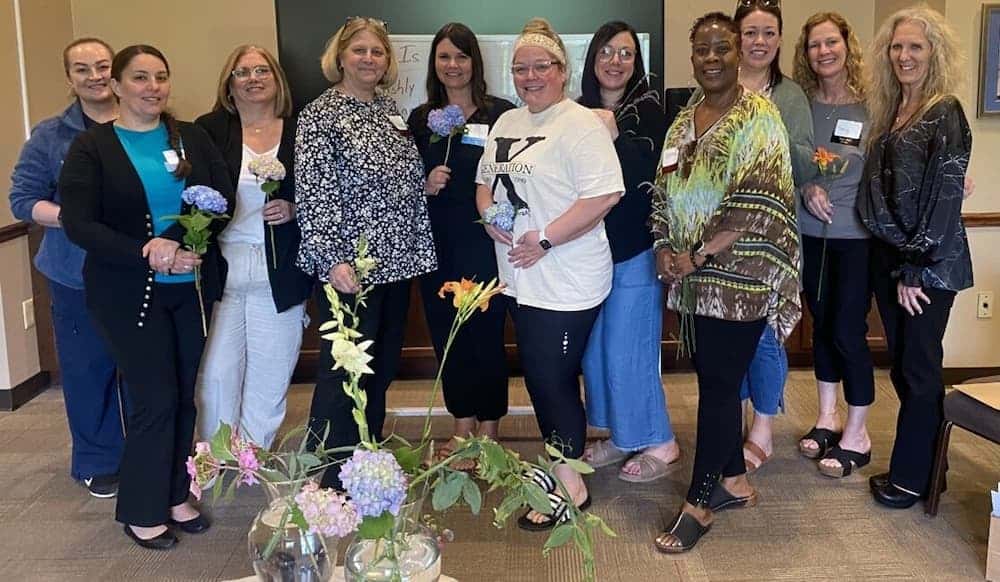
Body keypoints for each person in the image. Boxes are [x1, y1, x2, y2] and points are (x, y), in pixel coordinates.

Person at [60, 44, 234, 549]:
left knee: (183, 396)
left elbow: (220, 200)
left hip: (192, 289)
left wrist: (182, 243)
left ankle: (177, 494)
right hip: (127, 294)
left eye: (160, 76)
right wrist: (147, 249)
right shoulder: (93, 148)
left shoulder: (192, 139)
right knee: (153, 399)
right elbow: (79, 224)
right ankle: (140, 507)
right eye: (139, 78)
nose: (152, 87)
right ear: (116, 86)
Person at [652, 12, 799, 553]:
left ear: (739, 53)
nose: (711, 58)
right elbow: (662, 188)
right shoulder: (684, 118)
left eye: (722, 48)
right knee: (713, 375)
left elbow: (758, 202)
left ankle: (700, 503)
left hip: (743, 276)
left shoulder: (758, 116)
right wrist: (663, 245)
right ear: (692, 57)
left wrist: (695, 254)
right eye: (702, 50)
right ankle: (734, 480)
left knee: (716, 388)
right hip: (694, 280)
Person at [475, 17, 623, 531]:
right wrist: (490, 217)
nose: (530, 76)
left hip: (566, 279)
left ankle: (571, 484)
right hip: (520, 277)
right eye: (520, 68)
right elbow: (485, 184)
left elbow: (604, 196)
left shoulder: (581, 123)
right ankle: (562, 462)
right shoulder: (507, 123)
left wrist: (545, 238)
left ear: (562, 70)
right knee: (542, 377)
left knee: (551, 378)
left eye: (541, 66)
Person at [296, 17, 436, 488]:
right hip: (349, 269)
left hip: (395, 264)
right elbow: (315, 194)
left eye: (377, 52)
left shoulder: (389, 108)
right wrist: (332, 259)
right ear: (340, 57)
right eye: (359, 51)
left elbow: (396, 177)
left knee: (379, 369)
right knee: (343, 375)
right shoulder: (320, 114)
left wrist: (426, 182)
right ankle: (328, 476)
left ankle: (364, 460)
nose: (369, 59)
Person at [858, 7, 972, 510]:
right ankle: (930, 469)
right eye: (897, 47)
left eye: (916, 47)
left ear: (934, 54)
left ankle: (909, 480)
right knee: (906, 371)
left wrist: (915, 268)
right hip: (893, 259)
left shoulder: (943, 110)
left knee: (920, 370)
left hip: (927, 267)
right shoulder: (894, 110)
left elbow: (945, 199)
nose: (904, 56)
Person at [8, 38, 125, 499]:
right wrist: (78, 219)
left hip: (141, 270)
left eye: (102, 66)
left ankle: (149, 452)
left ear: (115, 70)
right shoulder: (50, 135)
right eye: (82, 69)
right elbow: (21, 201)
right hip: (75, 273)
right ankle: (99, 461)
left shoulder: (146, 124)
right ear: (69, 79)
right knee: (87, 369)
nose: (95, 76)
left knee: (146, 370)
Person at [407, 23, 516, 468]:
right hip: (438, 245)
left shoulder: (501, 114)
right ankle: (461, 427)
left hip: (486, 244)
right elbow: (398, 184)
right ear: (435, 64)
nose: (453, 66)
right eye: (444, 57)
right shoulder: (420, 119)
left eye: (462, 56)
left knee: (486, 338)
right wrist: (424, 183)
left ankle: (490, 429)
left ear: (475, 61)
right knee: (447, 338)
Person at [194, 45, 312, 449]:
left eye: (262, 70)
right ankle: (216, 459)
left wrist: (296, 207)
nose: (253, 78)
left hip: (279, 270)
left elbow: (323, 194)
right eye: (242, 72)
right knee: (216, 376)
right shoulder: (207, 130)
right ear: (229, 84)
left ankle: (252, 459)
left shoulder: (301, 130)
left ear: (277, 80)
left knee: (271, 373)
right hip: (223, 268)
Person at [577, 21, 678, 483]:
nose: (615, 62)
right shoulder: (574, 111)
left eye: (626, 54)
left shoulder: (653, 111)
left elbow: (652, 173)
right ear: (592, 59)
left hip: (635, 248)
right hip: (585, 252)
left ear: (637, 64)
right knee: (596, 352)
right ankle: (622, 434)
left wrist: (613, 131)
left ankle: (660, 440)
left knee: (628, 350)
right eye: (606, 53)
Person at [719, 0, 815, 474]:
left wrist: (764, 129)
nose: (759, 42)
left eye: (769, 33)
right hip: (722, 238)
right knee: (729, 332)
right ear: (737, 37)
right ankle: (734, 416)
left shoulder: (790, 95)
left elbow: (802, 163)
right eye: (751, 32)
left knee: (766, 334)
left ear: (779, 39)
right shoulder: (718, 87)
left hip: (773, 237)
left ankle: (763, 425)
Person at [790, 13, 875, 478]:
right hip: (811, 235)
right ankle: (828, 418)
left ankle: (858, 434)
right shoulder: (803, 107)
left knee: (847, 332)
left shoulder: (871, 107)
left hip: (856, 238)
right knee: (821, 325)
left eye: (831, 42)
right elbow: (790, 163)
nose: (823, 52)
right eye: (814, 45)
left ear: (847, 46)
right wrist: (807, 187)